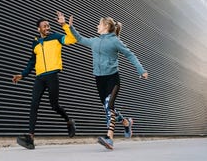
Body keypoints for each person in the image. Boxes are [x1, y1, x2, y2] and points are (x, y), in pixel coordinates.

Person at [68, 14, 148, 150]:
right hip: (99, 79)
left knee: (109, 106)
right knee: (107, 107)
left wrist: (141, 70)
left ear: (105, 26)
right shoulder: (94, 41)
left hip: (113, 79)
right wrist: (70, 27)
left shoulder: (115, 41)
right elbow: (80, 39)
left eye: (99, 24)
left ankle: (109, 138)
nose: (96, 26)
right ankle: (126, 122)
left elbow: (130, 54)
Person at [12, 11, 77, 150]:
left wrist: (64, 25)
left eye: (48, 25)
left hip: (52, 75)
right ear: (39, 29)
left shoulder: (56, 37)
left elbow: (72, 39)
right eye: (44, 26)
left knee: (54, 105)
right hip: (40, 77)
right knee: (34, 104)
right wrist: (23, 75)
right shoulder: (35, 42)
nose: (47, 28)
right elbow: (32, 61)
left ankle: (68, 121)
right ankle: (30, 138)